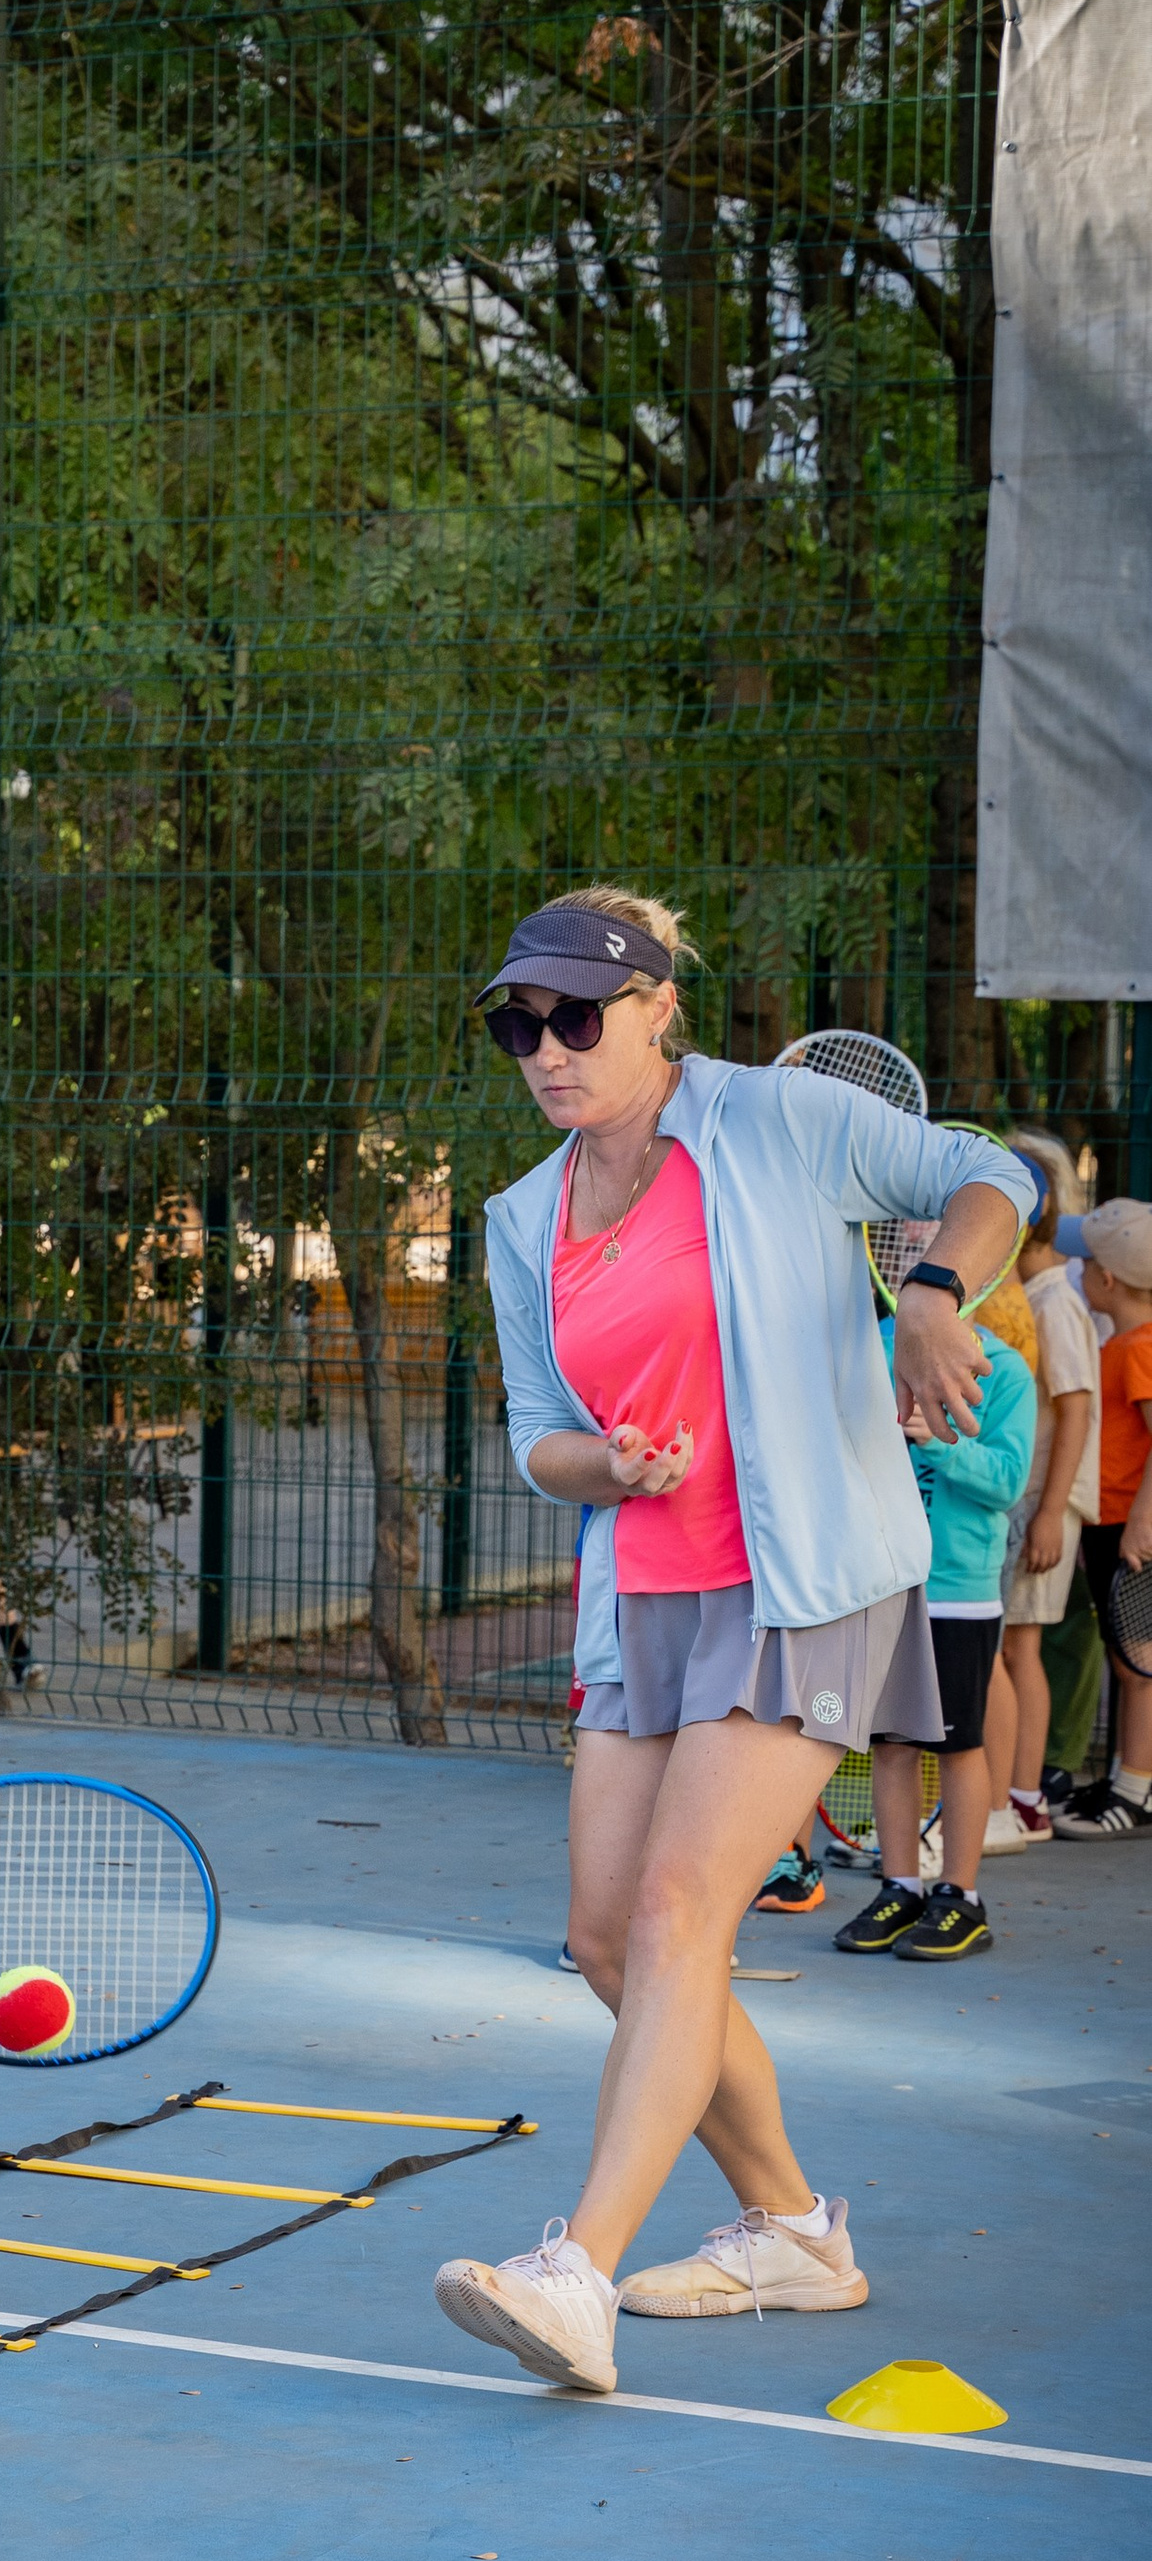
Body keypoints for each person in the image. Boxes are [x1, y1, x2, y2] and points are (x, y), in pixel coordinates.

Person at [430, 889, 1031, 2392]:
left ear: (655, 1011)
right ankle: (788, 2227)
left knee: (683, 1911)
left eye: (579, 1017)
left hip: (802, 1577)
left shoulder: (780, 1120)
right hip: (644, 1596)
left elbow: (992, 1173)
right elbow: (536, 1440)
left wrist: (937, 1295)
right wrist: (608, 1465)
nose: (549, 1049)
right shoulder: (522, 1218)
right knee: (602, 1938)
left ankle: (573, 2269)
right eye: (524, 1024)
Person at [831, 1286, 1032, 1959]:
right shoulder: (867, 1350)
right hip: (883, 1581)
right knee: (891, 1743)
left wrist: (938, 1442)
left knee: (957, 1745)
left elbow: (1007, 1481)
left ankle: (960, 1897)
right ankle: (900, 1886)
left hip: (957, 1592)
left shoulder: (1003, 1368)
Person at [993, 1135, 1099, 1840]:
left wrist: (1050, 1513)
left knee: (1018, 1651)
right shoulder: (1026, 1295)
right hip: (1026, 1501)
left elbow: (1077, 1408)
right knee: (1008, 1646)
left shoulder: (1055, 1304)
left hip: (1043, 1507)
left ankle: (1024, 1798)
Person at [1053, 1198, 1152, 1838]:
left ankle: (1136, 1790)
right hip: (1113, 1522)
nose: (1077, 1271)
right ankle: (1123, 1779)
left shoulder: (1140, 1349)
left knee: (1138, 1662)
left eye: (1083, 1261)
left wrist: (1141, 1522)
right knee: (1127, 1660)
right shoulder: (1123, 1343)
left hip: (1131, 1528)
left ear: (1107, 1280)